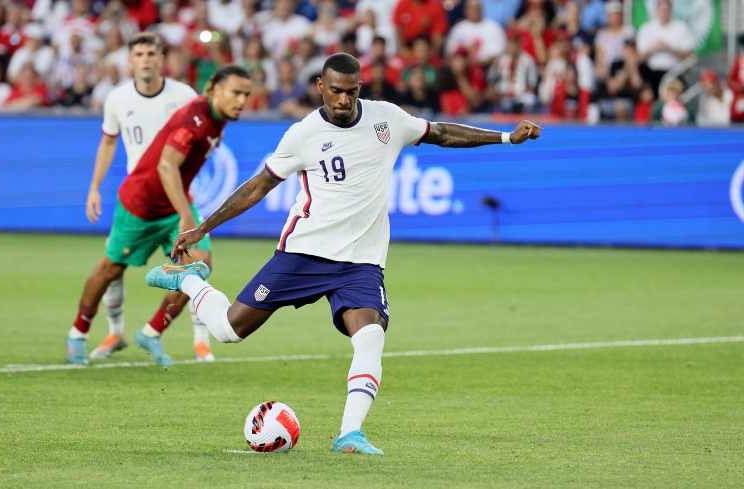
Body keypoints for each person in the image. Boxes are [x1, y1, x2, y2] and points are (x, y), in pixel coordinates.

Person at [146, 53, 540, 454]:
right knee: (228, 331)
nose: (343, 100)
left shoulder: (387, 119)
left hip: (361, 262)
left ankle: (350, 433)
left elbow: (440, 132)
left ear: (360, 90)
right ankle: (188, 280)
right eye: (335, 90)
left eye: (351, 92)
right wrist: (203, 227)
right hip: (304, 253)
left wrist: (506, 137)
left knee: (370, 336)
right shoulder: (303, 134)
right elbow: (257, 186)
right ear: (320, 86)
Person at [68, 33, 214, 365]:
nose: (146, 59)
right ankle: (100, 333)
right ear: (130, 61)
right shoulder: (117, 99)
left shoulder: (184, 96)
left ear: (161, 59)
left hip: (177, 197)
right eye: (139, 54)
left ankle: (172, 335)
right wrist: (94, 186)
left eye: (152, 53)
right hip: (140, 202)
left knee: (199, 263)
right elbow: (108, 143)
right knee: (112, 268)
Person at [635, 0, 693, 93]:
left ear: (671, 10)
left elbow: (688, 55)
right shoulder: (646, 29)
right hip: (651, 73)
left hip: (674, 72)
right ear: (656, 10)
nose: (664, 13)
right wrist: (652, 49)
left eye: (666, 10)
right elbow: (639, 58)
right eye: (662, 10)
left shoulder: (681, 27)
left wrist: (669, 48)